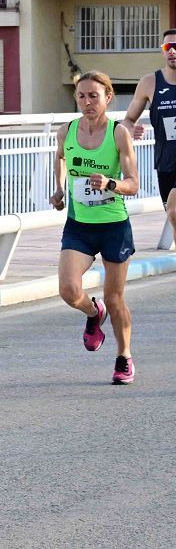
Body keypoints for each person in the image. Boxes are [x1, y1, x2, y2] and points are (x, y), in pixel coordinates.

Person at [51, 71, 138, 385]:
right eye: (81, 96)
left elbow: (134, 183)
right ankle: (92, 313)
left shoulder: (118, 134)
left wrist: (111, 184)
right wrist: (60, 190)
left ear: (108, 98)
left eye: (94, 96)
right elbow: (60, 158)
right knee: (68, 290)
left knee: (115, 299)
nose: (87, 102)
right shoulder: (67, 131)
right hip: (79, 226)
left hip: (114, 226)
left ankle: (124, 356)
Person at [121, 28, 176, 233]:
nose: (172, 51)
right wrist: (130, 129)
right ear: (162, 51)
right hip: (165, 163)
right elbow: (127, 120)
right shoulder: (150, 82)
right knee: (172, 213)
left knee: (175, 211)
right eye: (167, 47)